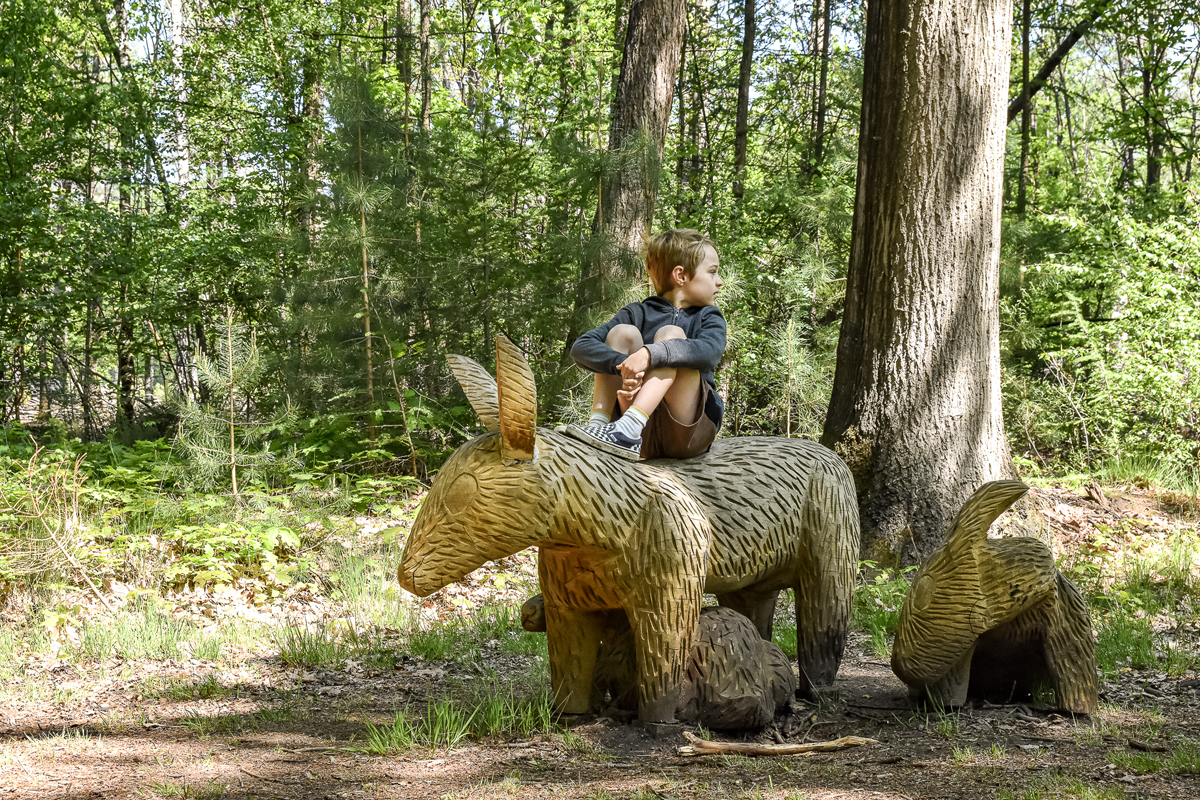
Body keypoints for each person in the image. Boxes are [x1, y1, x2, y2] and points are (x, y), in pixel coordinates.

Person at [564, 228, 726, 462]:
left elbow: (710, 353)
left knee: (671, 336)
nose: (719, 282)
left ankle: (629, 427)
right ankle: (598, 425)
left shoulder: (709, 317)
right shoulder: (636, 313)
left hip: (687, 431)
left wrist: (650, 355)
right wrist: (629, 365)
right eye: (712, 272)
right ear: (680, 275)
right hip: (640, 432)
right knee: (622, 333)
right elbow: (582, 347)